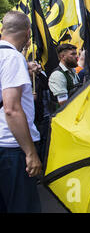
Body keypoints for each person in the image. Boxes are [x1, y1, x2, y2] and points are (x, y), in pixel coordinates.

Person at [0, 11, 42, 213]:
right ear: (28, 34)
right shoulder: (12, 58)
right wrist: (30, 153)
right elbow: (11, 109)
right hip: (13, 149)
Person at [48, 43, 81, 110]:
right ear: (63, 57)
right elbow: (63, 102)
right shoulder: (57, 75)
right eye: (73, 54)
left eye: (76, 54)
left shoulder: (73, 71)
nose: (76, 57)